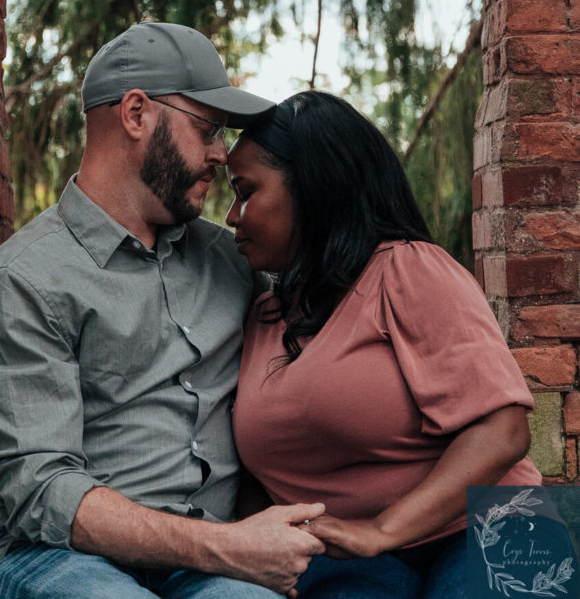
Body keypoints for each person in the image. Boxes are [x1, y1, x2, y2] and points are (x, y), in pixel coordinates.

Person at [0, 23, 326, 599]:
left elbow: (343, 299)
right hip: (54, 560)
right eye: (206, 128)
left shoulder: (233, 261)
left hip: (205, 569)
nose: (220, 153)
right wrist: (230, 547)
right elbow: (41, 495)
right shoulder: (23, 279)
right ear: (135, 114)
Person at [226, 91, 542, 599]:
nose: (231, 216)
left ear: (311, 186)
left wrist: (382, 531)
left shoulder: (408, 268)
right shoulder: (262, 313)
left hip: (490, 528)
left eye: (245, 192)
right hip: (344, 562)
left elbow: (503, 430)